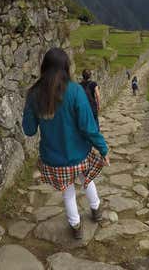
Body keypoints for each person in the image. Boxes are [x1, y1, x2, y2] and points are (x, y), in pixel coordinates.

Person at [22, 48, 110, 239]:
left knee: (67, 191)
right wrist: (103, 148)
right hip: (79, 154)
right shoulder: (75, 91)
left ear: (44, 67)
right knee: (87, 180)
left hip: (53, 158)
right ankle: (96, 211)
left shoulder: (34, 94)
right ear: (66, 67)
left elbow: (28, 129)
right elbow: (88, 127)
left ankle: (76, 226)